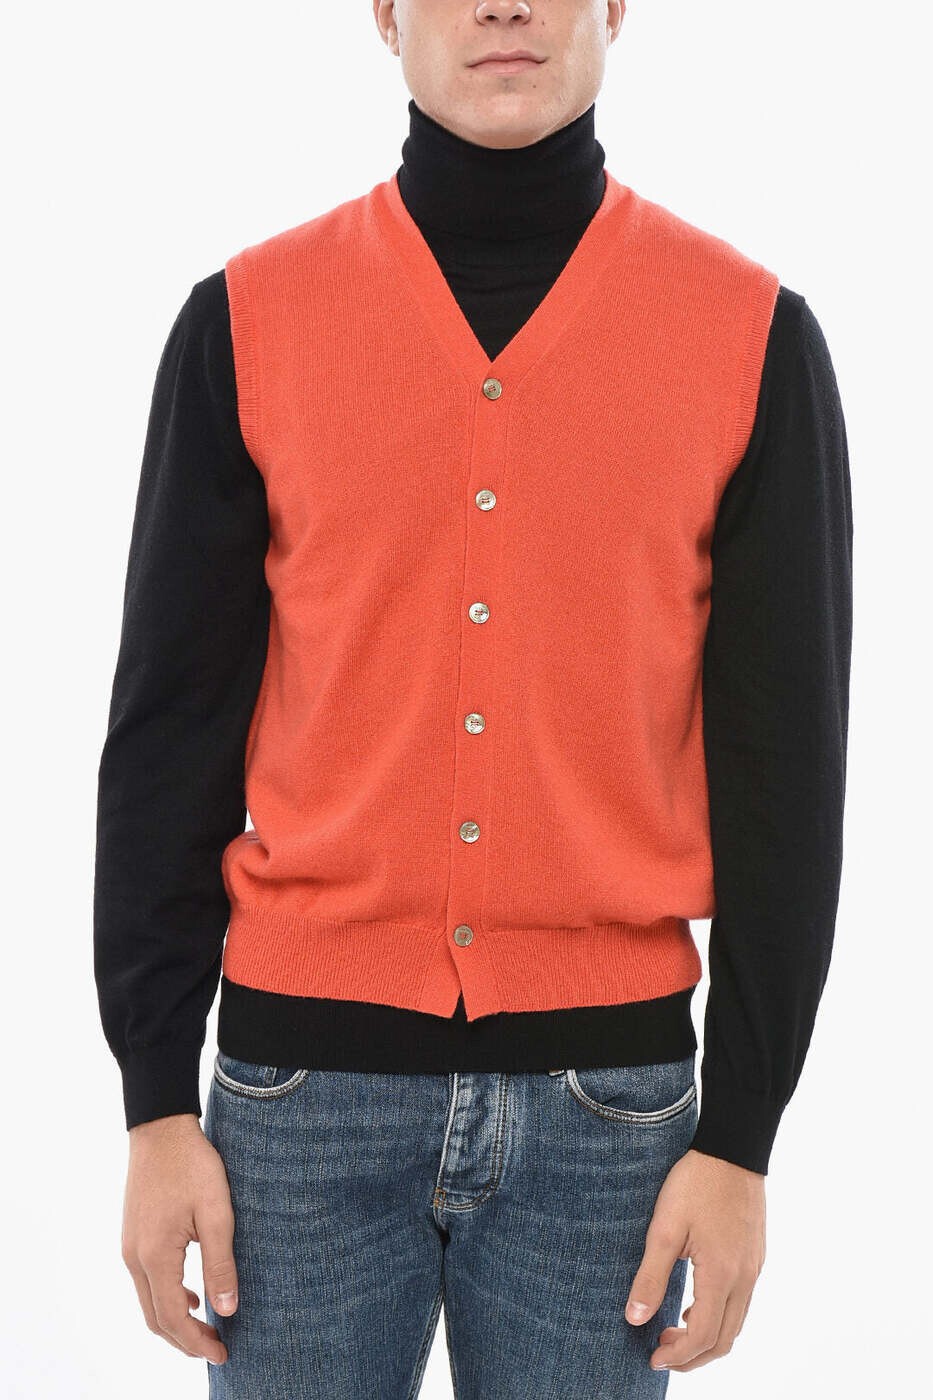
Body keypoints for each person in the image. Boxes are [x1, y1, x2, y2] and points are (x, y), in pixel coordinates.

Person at [94, 1, 853, 1394]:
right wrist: (152, 1101)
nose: (503, 4)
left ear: (615, 4)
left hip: (613, 1124)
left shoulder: (749, 338)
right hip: (296, 1111)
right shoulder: (247, 324)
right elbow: (167, 738)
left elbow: (785, 774)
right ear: (385, 12)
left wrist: (742, 1135)